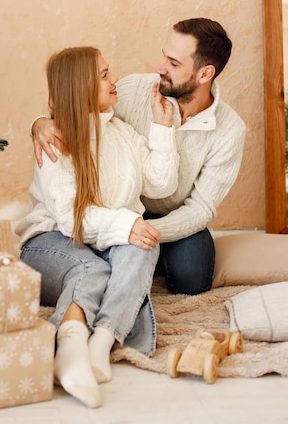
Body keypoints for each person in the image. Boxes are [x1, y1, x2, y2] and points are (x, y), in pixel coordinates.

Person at [31, 18, 247, 296]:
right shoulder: (134, 90)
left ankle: (145, 259)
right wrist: (39, 124)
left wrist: (141, 231)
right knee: (103, 256)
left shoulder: (230, 130)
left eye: (174, 63)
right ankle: (132, 260)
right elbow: (79, 110)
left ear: (205, 74)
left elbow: (201, 208)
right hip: (123, 206)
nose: (160, 68)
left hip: (172, 215)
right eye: (164, 56)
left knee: (191, 279)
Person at [16, 46, 179, 408]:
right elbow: (70, 219)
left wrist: (162, 126)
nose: (114, 79)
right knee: (93, 267)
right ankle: (68, 350)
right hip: (50, 243)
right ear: (80, 86)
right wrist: (127, 222)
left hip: (105, 240)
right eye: (104, 74)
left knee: (143, 244)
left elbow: (161, 185)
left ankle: (100, 343)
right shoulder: (55, 137)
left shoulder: (120, 133)